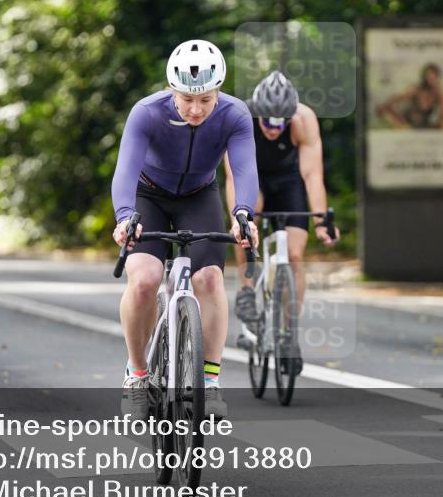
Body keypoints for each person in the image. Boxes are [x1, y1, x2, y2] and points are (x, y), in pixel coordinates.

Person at [111, 39, 259, 420]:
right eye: (187, 99)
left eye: (206, 100)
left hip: (199, 195)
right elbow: (125, 169)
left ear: (218, 93)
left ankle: (209, 381)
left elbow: (243, 170)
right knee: (144, 279)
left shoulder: (235, 115)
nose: (195, 109)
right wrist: (125, 216)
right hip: (149, 196)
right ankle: (137, 373)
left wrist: (243, 214)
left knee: (209, 278)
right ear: (172, 89)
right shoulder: (147, 112)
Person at [223, 71, 339, 366]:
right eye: (267, 121)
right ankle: (248, 290)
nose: (273, 128)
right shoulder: (241, 118)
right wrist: (240, 219)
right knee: (246, 223)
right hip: (253, 178)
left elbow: (312, 175)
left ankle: (289, 333)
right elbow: (233, 176)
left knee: (296, 255)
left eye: (280, 122)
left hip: (289, 181)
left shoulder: (304, 119)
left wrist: (322, 220)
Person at [375, 63, 443, 129]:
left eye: (434, 76)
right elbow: (397, 97)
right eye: (428, 76)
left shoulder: (439, 93)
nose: (431, 79)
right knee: (384, 110)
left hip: (423, 124)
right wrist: (385, 106)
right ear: (424, 77)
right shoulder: (417, 89)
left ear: (437, 77)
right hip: (406, 122)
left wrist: (442, 124)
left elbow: (442, 117)